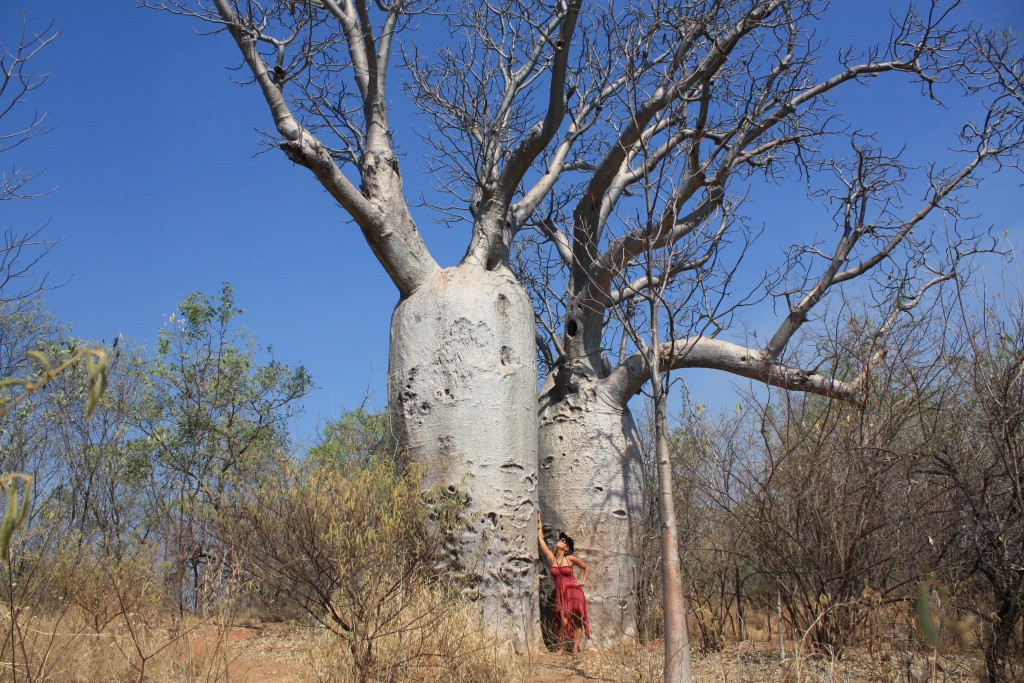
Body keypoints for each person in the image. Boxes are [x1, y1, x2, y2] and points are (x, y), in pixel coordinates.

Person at [537, 511, 590, 655]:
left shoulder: (571, 559)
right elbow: (541, 540)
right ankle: (562, 648)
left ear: (566, 548)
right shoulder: (551, 559)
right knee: (564, 621)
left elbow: (586, 567)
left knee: (577, 621)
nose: (561, 541)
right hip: (561, 594)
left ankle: (574, 649)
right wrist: (539, 521)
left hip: (574, 592)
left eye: (564, 541)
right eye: (561, 540)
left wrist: (582, 581)